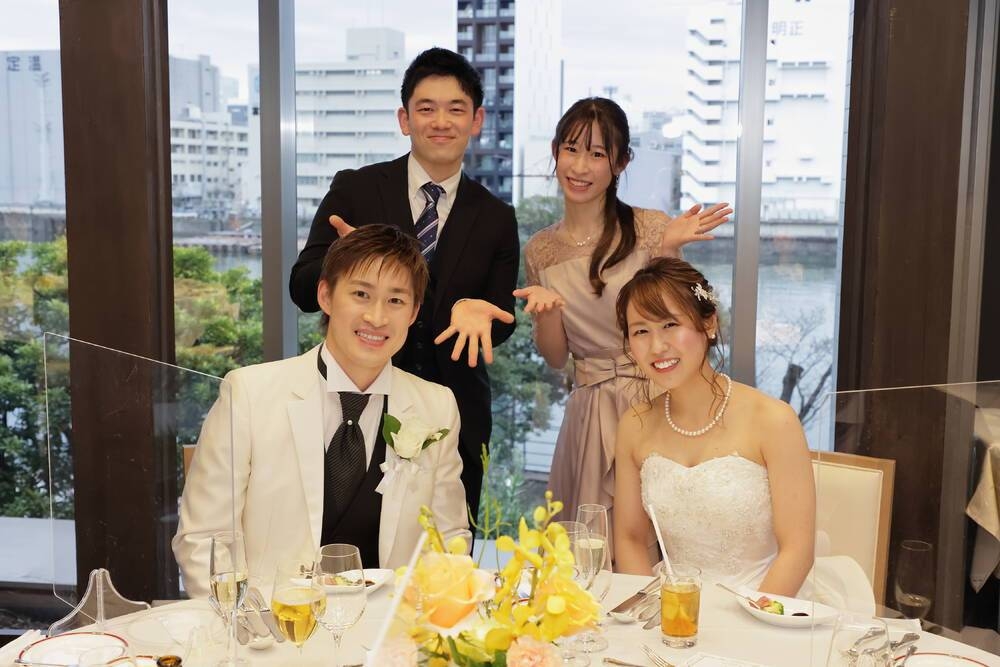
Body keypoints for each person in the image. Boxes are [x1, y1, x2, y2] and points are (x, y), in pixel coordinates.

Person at [174, 225, 469, 597]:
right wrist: (247, 622)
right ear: (326, 295)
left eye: (396, 300)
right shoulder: (248, 393)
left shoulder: (436, 406)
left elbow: (448, 540)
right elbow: (204, 539)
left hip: (388, 624)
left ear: (413, 313)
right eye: (361, 294)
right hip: (274, 621)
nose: (377, 317)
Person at [289, 48, 519, 519]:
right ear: (404, 119)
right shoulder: (356, 188)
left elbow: (499, 319)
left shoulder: (497, 216)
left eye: (456, 109)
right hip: (352, 400)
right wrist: (349, 259)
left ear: (476, 120)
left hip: (454, 411)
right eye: (426, 108)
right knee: (342, 535)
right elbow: (302, 288)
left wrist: (479, 315)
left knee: (444, 541)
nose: (441, 122)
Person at [514, 97, 731, 523]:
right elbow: (557, 359)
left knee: (660, 529)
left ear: (620, 162)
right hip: (590, 410)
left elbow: (685, 320)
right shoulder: (540, 249)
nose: (580, 166)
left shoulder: (651, 227)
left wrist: (669, 250)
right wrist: (546, 314)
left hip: (658, 397)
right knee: (591, 536)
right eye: (571, 149)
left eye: (597, 154)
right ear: (556, 151)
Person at [612, 256, 815, 596]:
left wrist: (747, 620)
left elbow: (797, 552)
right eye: (641, 331)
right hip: (671, 608)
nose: (657, 346)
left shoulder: (774, 421)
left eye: (670, 325)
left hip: (764, 606)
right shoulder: (634, 425)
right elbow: (629, 538)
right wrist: (651, 608)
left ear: (709, 324)